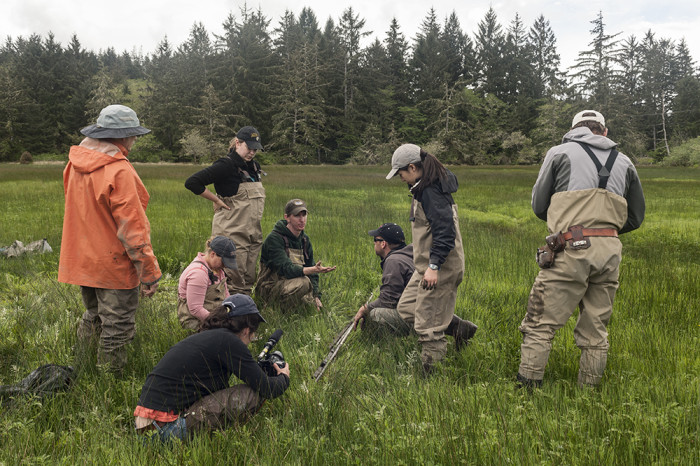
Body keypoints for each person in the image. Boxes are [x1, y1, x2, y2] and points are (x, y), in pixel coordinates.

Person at [517, 110, 645, 389]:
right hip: (610, 251)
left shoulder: (559, 152)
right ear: (604, 131)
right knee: (596, 329)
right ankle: (588, 394)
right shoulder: (625, 162)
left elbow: (539, 205)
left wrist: (571, 227)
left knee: (540, 323)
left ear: (573, 130)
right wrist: (603, 231)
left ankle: (525, 394)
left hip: (570, 247)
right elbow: (635, 217)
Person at [58, 104, 161, 374]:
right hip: (113, 264)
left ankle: (82, 369)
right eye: (134, 134)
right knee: (117, 325)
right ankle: (108, 381)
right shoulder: (119, 170)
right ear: (122, 136)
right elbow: (133, 229)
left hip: (82, 259)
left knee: (94, 316)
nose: (135, 139)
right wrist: (149, 272)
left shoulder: (74, 164)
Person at [134, 294, 290, 442]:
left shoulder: (208, 337)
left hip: (146, 430)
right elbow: (268, 388)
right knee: (252, 393)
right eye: (253, 335)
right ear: (247, 330)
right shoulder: (229, 341)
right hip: (163, 432)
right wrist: (283, 377)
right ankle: (221, 437)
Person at [386, 144, 477, 373]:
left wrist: (434, 266)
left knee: (429, 326)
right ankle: (458, 328)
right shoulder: (422, 186)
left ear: (413, 167)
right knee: (407, 309)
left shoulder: (431, 191)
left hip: (440, 267)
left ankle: (431, 378)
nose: (400, 178)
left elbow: (445, 232)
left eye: (401, 173)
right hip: (425, 267)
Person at [184, 126, 265, 295]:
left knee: (248, 279)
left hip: (252, 234)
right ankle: (225, 315)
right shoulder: (226, 165)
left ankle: (245, 313)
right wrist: (216, 199)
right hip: (231, 233)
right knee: (231, 280)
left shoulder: (254, 168)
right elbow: (192, 182)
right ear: (237, 143)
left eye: (255, 149)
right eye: (249, 148)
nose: (252, 152)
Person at [256, 199, 336, 311]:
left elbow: (312, 275)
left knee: (311, 304)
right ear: (287, 217)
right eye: (297, 216)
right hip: (270, 287)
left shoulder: (305, 240)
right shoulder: (274, 239)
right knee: (303, 283)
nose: (302, 220)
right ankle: (276, 310)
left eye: (304, 215)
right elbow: (286, 269)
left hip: (290, 285)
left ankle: (299, 305)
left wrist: (316, 296)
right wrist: (312, 269)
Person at [352, 223, 415, 334]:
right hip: (423, 312)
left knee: (375, 314)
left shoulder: (393, 261)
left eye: (375, 239)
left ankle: (377, 341)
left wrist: (365, 308)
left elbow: (388, 301)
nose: (373, 243)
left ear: (383, 244)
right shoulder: (408, 256)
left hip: (416, 319)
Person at [177, 236, 237, 330]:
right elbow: (195, 309)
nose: (225, 265)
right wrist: (218, 323)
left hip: (214, 316)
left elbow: (226, 295)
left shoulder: (218, 269)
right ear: (213, 254)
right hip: (196, 321)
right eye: (224, 261)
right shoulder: (198, 273)